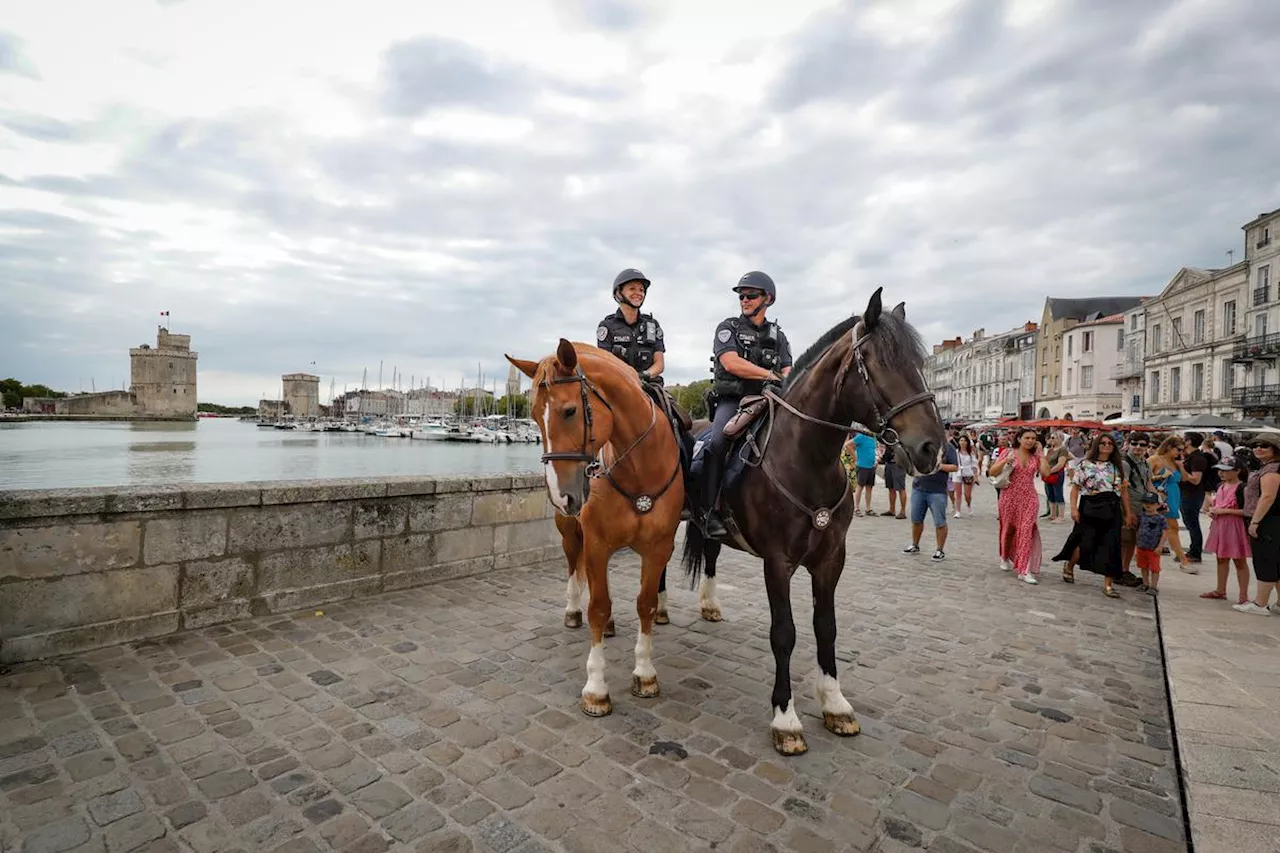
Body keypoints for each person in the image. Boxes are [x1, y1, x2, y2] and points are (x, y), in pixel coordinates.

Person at [700, 271, 792, 537]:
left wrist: (782, 380)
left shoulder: (779, 336)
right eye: (742, 295)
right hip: (735, 401)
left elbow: (788, 368)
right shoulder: (729, 327)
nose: (745, 299)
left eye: (751, 295)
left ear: (768, 299)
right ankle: (708, 511)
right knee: (717, 442)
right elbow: (731, 362)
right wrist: (769, 375)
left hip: (770, 400)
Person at [990, 428, 1049, 584]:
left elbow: (1046, 473)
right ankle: (1004, 556)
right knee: (1008, 529)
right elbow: (992, 472)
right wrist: (1004, 461)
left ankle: (1024, 569)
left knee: (1026, 531)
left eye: (1033, 438)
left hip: (1029, 497)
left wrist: (1041, 454)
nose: (1030, 441)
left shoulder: (1036, 457)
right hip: (1009, 496)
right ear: (1020, 439)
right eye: (1027, 437)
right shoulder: (1009, 453)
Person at [1235, 433, 1280, 616]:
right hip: (1273, 520)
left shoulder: (1271, 470)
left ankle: (1260, 604)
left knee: (1265, 561)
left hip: (1267, 520)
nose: (1258, 448)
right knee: (1276, 562)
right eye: (1255, 445)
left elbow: (1268, 496)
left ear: (1275, 449)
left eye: (1264, 445)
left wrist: (1255, 521)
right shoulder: (1270, 467)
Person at [596, 269, 666, 384]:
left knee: (669, 402)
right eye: (632, 288)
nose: (638, 293)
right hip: (618, 385)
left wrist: (643, 376)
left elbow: (659, 364)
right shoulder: (606, 326)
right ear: (619, 293)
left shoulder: (652, 325)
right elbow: (604, 364)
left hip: (649, 385)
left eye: (641, 290)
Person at [1201, 456, 1251, 604]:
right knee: (1221, 558)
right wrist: (1212, 511)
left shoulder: (1243, 488)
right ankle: (1220, 589)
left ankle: (1243, 596)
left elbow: (1248, 511)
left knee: (1239, 561)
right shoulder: (1220, 486)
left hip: (1235, 527)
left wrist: (1225, 511)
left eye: (1226, 470)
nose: (1221, 473)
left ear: (1237, 471)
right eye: (1220, 470)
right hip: (1220, 526)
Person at [902, 440, 959, 561]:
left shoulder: (947, 447)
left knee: (939, 521)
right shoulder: (921, 444)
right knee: (916, 519)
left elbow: (955, 467)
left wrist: (939, 466)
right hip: (919, 487)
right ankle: (915, 544)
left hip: (937, 490)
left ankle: (940, 550)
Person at [1179, 431, 1209, 564]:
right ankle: (1193, 550)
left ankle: (1195, 552)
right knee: (1190, 522)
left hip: (1192, 495)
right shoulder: (1191, 457)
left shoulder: (1197, 459)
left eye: (1184, 439)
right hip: (1187, 494)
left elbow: (1196, 480)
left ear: (1189, 441)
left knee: (1192, 523)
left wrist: (1181, 468)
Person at [1134, 492, 1167, 596]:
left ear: (1158, 504)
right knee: (1143, 566)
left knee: (1154, 568)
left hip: (1154, 548)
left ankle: (1154, 586)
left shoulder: (1160, 518)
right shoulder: (1141, 516)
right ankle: (1145, 583)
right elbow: (1138, 530)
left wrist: (1160, 546)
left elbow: (1165, 532)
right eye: (1146, 502)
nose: (1148, 505)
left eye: (1152, 503)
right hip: (1142, 546)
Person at [850, 432, 879, 516]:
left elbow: (874, 450)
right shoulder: (861, 436)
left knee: (869, 487)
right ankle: (856, 508)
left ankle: (868, 508)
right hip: (862, 466)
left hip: (871, 466)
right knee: (860, 487)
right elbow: (848, 445)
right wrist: (856, 458)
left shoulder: (873, 437)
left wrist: (876, 460)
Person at [881, 441, 908, 519]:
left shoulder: (901, 436)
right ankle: (892, 509)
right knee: (891, 488)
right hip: (888, 462)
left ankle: (903, 511)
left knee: (901, 488)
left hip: (898, 463)